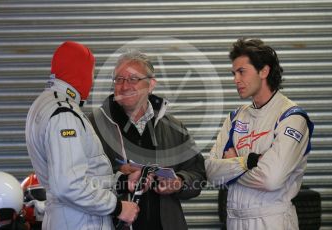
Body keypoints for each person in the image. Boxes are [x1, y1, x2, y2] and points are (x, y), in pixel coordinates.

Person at [25, 41, 140, 230]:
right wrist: (118, 207)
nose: (92, 80)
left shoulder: (44, 104)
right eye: (92, 72)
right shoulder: (64, 114)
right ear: (81, 71)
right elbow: (69, 185)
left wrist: (120, 181)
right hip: (79, 222)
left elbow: (78, 173)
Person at [88, 50, 206, 230]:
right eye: (119, 79)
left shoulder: (174, 128)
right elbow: (79, 180)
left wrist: (179, 182)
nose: (125, 86)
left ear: (151, 84)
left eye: (133, 79)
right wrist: (120, 179)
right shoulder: (93, 126)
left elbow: (198, 172)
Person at [205, 38, 314, 229]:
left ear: (264, 71)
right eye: (233, 73)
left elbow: (271, 179)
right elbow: (212, 173)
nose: (235, 80)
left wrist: (231, 165)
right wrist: (248, 162)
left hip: (272, 221)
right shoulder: (235, 118)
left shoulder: (291, 117)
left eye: (241, 72)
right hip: (234, 221)